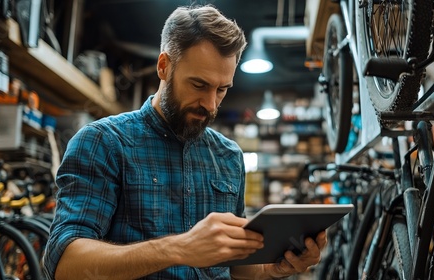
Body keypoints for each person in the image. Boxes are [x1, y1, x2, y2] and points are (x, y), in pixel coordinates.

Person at [42, 5, 326, 280]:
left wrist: (271, 269)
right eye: (199, 85)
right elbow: (65, 264)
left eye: (222, 89)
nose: (210, 104)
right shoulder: (103, 142)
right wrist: (179, 248)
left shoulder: (228, 156)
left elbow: (232, 265)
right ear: (164, 66)